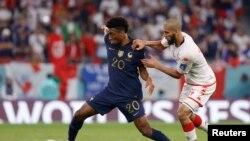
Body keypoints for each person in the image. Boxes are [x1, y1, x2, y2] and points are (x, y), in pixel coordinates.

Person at [67, 17, 171, 141]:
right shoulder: (108, 39)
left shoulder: (137, 48)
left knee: (146, 131)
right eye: (109, 33)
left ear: (122, 34)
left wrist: (148, 79)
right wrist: (105, 28)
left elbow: (142, 69)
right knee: (79, 114)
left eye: (112, 34)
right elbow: (107, 30)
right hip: (110, 92)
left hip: (129, 96)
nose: (109, 37)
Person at [132, 18, 216, 141]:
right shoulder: (177, 38)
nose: (164, 35)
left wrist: (157, 65)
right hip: (191, 82)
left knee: (182, 114)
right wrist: (145, 43)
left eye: (166, 32)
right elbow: (161, 45)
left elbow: (177, 75)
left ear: (176, 31)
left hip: (203, 84)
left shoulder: (188, 53)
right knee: (188, 115)